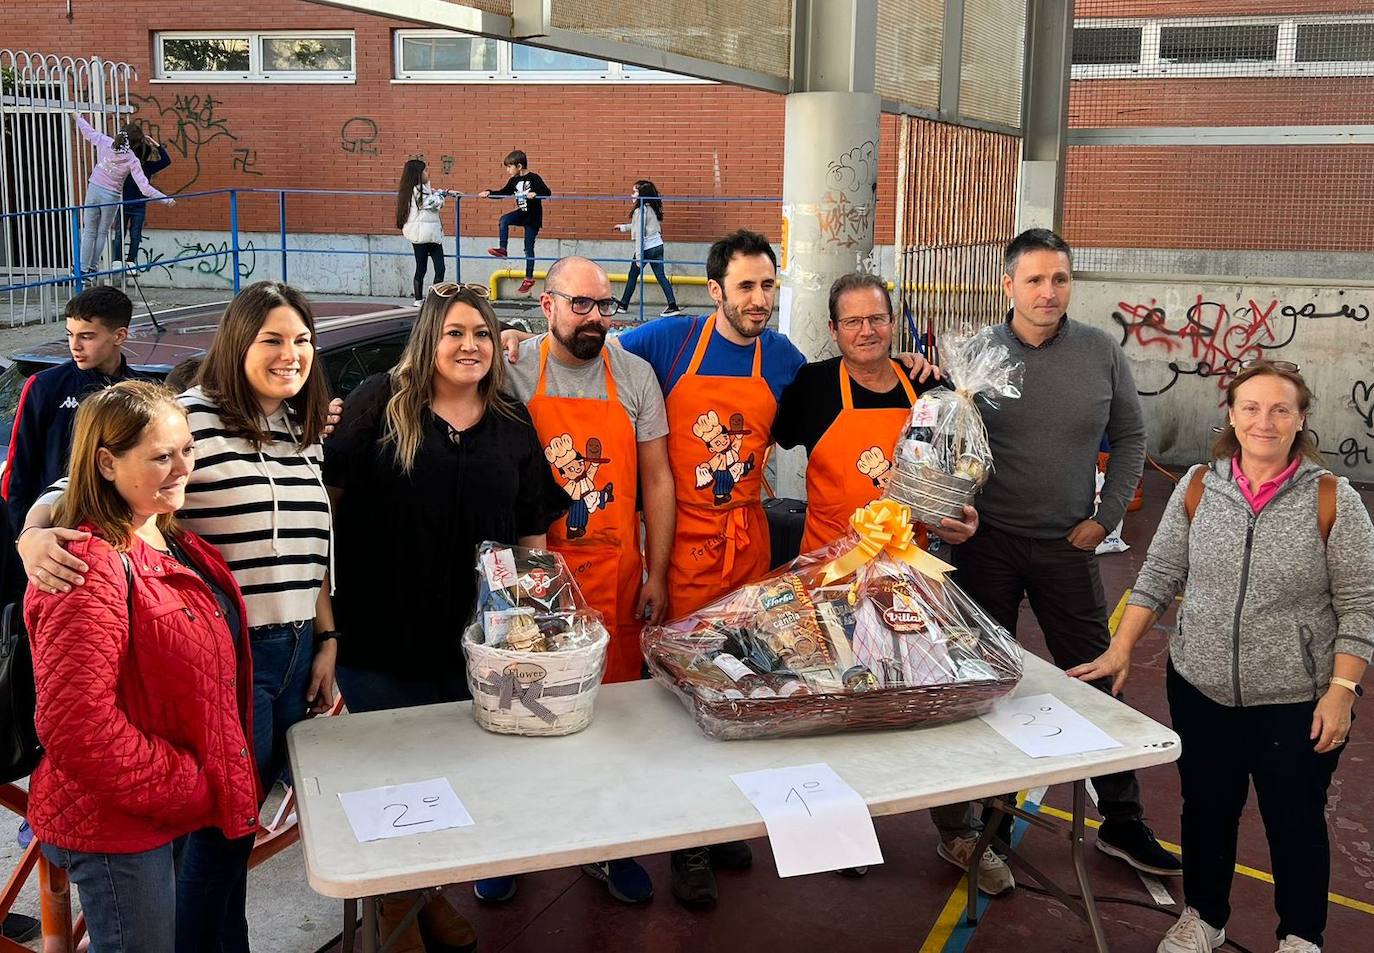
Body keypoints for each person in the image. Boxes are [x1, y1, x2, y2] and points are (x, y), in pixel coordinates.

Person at [503, 230, 933, 907]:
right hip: (678, 555)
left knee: (739, 691)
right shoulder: (666, 344)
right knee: (676, 702)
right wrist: (518, 343)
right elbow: (591, 352)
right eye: (746, 287)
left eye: (768, 286)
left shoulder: (786, 358)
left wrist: (900, 358)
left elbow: (845, 378)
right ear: (716, 291)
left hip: (747, 549)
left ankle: (723, 820)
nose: (759, 299)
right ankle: (686, 845)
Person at [19, 281, 340, 952]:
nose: (291, 353)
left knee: (237, 841)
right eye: (273, 339)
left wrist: (326, 637)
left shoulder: (298, 430)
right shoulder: (189, 417)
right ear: (236, 343)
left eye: (302, 339)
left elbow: (306, 549)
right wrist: (32, 534)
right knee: (215, 848)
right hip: (225, 661)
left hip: (291, 658)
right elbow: (83, 481)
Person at [1068, 362, 1374, 953]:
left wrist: (1342, 691)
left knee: (1296, 821)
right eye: (1251, 407)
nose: (1265, 420)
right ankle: (1204, 918)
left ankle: (1301, 936)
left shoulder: (1334, 500)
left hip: (1296, 699)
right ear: (1231, 415)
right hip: (1201, 688)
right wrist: (1122, 647)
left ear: (1302, 418)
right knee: (1207, 810)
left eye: (1281, 409)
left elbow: (1361, 605)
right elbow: (1159, 573)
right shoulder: (1199, 486)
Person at [325, 282, 566, 951]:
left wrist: (532, 625)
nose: (470, 345)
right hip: (379, 636)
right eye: (456, 332)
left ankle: (423, 898)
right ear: (429, 339)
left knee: (453, 780)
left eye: (482, 334)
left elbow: (532, 535)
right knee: (391, 783)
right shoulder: (379, 404)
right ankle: (397, 915)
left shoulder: (512, 424)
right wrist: (323, 625)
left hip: (475, 646)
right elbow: (325, 507)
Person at [940, 228, 1180, 881]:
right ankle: (985, 823)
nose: (1050, 292)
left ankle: (1124, 822)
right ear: (1007, 284)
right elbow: (947, 438)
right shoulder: (976, 354)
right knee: (985, 684)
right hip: (984, 546)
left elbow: (1131, 437)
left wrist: (1104, 518)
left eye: (1061, 279)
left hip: (1066, 547)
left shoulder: (1099, 352)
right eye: (1036, 279)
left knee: (1100, 677)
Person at [25, 380, 259, 953]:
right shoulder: (90, 564)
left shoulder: (168, 537)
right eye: (161, 456)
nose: (183, 468)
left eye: (187, 449)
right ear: (106, 462)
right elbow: (76, 727)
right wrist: (183, 783)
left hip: (152, 810)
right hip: (120, 825)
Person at [489, 256, 674, 905]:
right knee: (520, 713)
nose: (596, 318)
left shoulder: (635, 374)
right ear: (547, 305)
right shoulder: (512, 365)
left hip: (616, 576)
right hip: (532, 579)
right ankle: (509, 844)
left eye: (604, 307)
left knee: (613, 722)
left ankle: (611, 844)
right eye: (581, 305)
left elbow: (656, 478)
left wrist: (657, 569)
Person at [2, 286, 147, 536]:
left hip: (122, 529)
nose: (75, 345)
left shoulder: (142, 392)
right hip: (54, 527)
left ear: (119, 336)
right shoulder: (45, 387)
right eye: (70, 335)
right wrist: (20, 536)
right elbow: (19, 469)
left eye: (87, 337)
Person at [73, 115, 173, 278]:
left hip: (96, 189)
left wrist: (77, 117)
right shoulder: (132, 160)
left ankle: (83, 268)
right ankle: (93, 268)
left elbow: (88, 132)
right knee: (103, 232)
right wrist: (166, 199)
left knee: (90, 231)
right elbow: (145, 187)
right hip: (112, 196)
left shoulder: (106, 143)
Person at [479, 149, 550, 295]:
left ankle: (529, 278)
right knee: (504, 220)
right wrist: (489, 193)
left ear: (519, 166)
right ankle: (503, 249)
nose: (507, 170)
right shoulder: (514, 180)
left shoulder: (534, 178)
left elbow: (547, 192)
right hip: (521, 213)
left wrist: (536, 194)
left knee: (528, 248)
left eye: (509, 167)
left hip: (533, 217)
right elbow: (504, 192)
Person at [612, 180, 682, 317]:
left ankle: (624, 305)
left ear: (641, 194)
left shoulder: (640, 210)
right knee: (661, 276)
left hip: (647, 248)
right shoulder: (650, 208)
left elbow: (640, 235)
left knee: (632, 275)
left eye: (635, 192)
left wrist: (639, 257)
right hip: (658, 246)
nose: (632, 195)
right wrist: (623, 227)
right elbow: (639, 226)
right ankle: (673, 305)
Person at [396, 158, 453, 306]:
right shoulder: (416, 191)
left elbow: (433, 195)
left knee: (439, 268)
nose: (428, 173)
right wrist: (441, 196)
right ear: (418, 174)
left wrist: (444, 192)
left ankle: (433, 299)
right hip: (421, 236)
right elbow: (433, 203)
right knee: (423, 268)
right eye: (425, 171)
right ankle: (419, 300)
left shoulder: (423, 189)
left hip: (431, 234)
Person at [113, 127, 171, 269]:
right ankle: (119, 260)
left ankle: (129, 261)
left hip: (137, 204)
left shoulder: (146, 166)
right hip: (125, 202)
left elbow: (165, 161)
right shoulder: (127, 164)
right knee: (123, 232)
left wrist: (154, 144)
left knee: (133, 233)